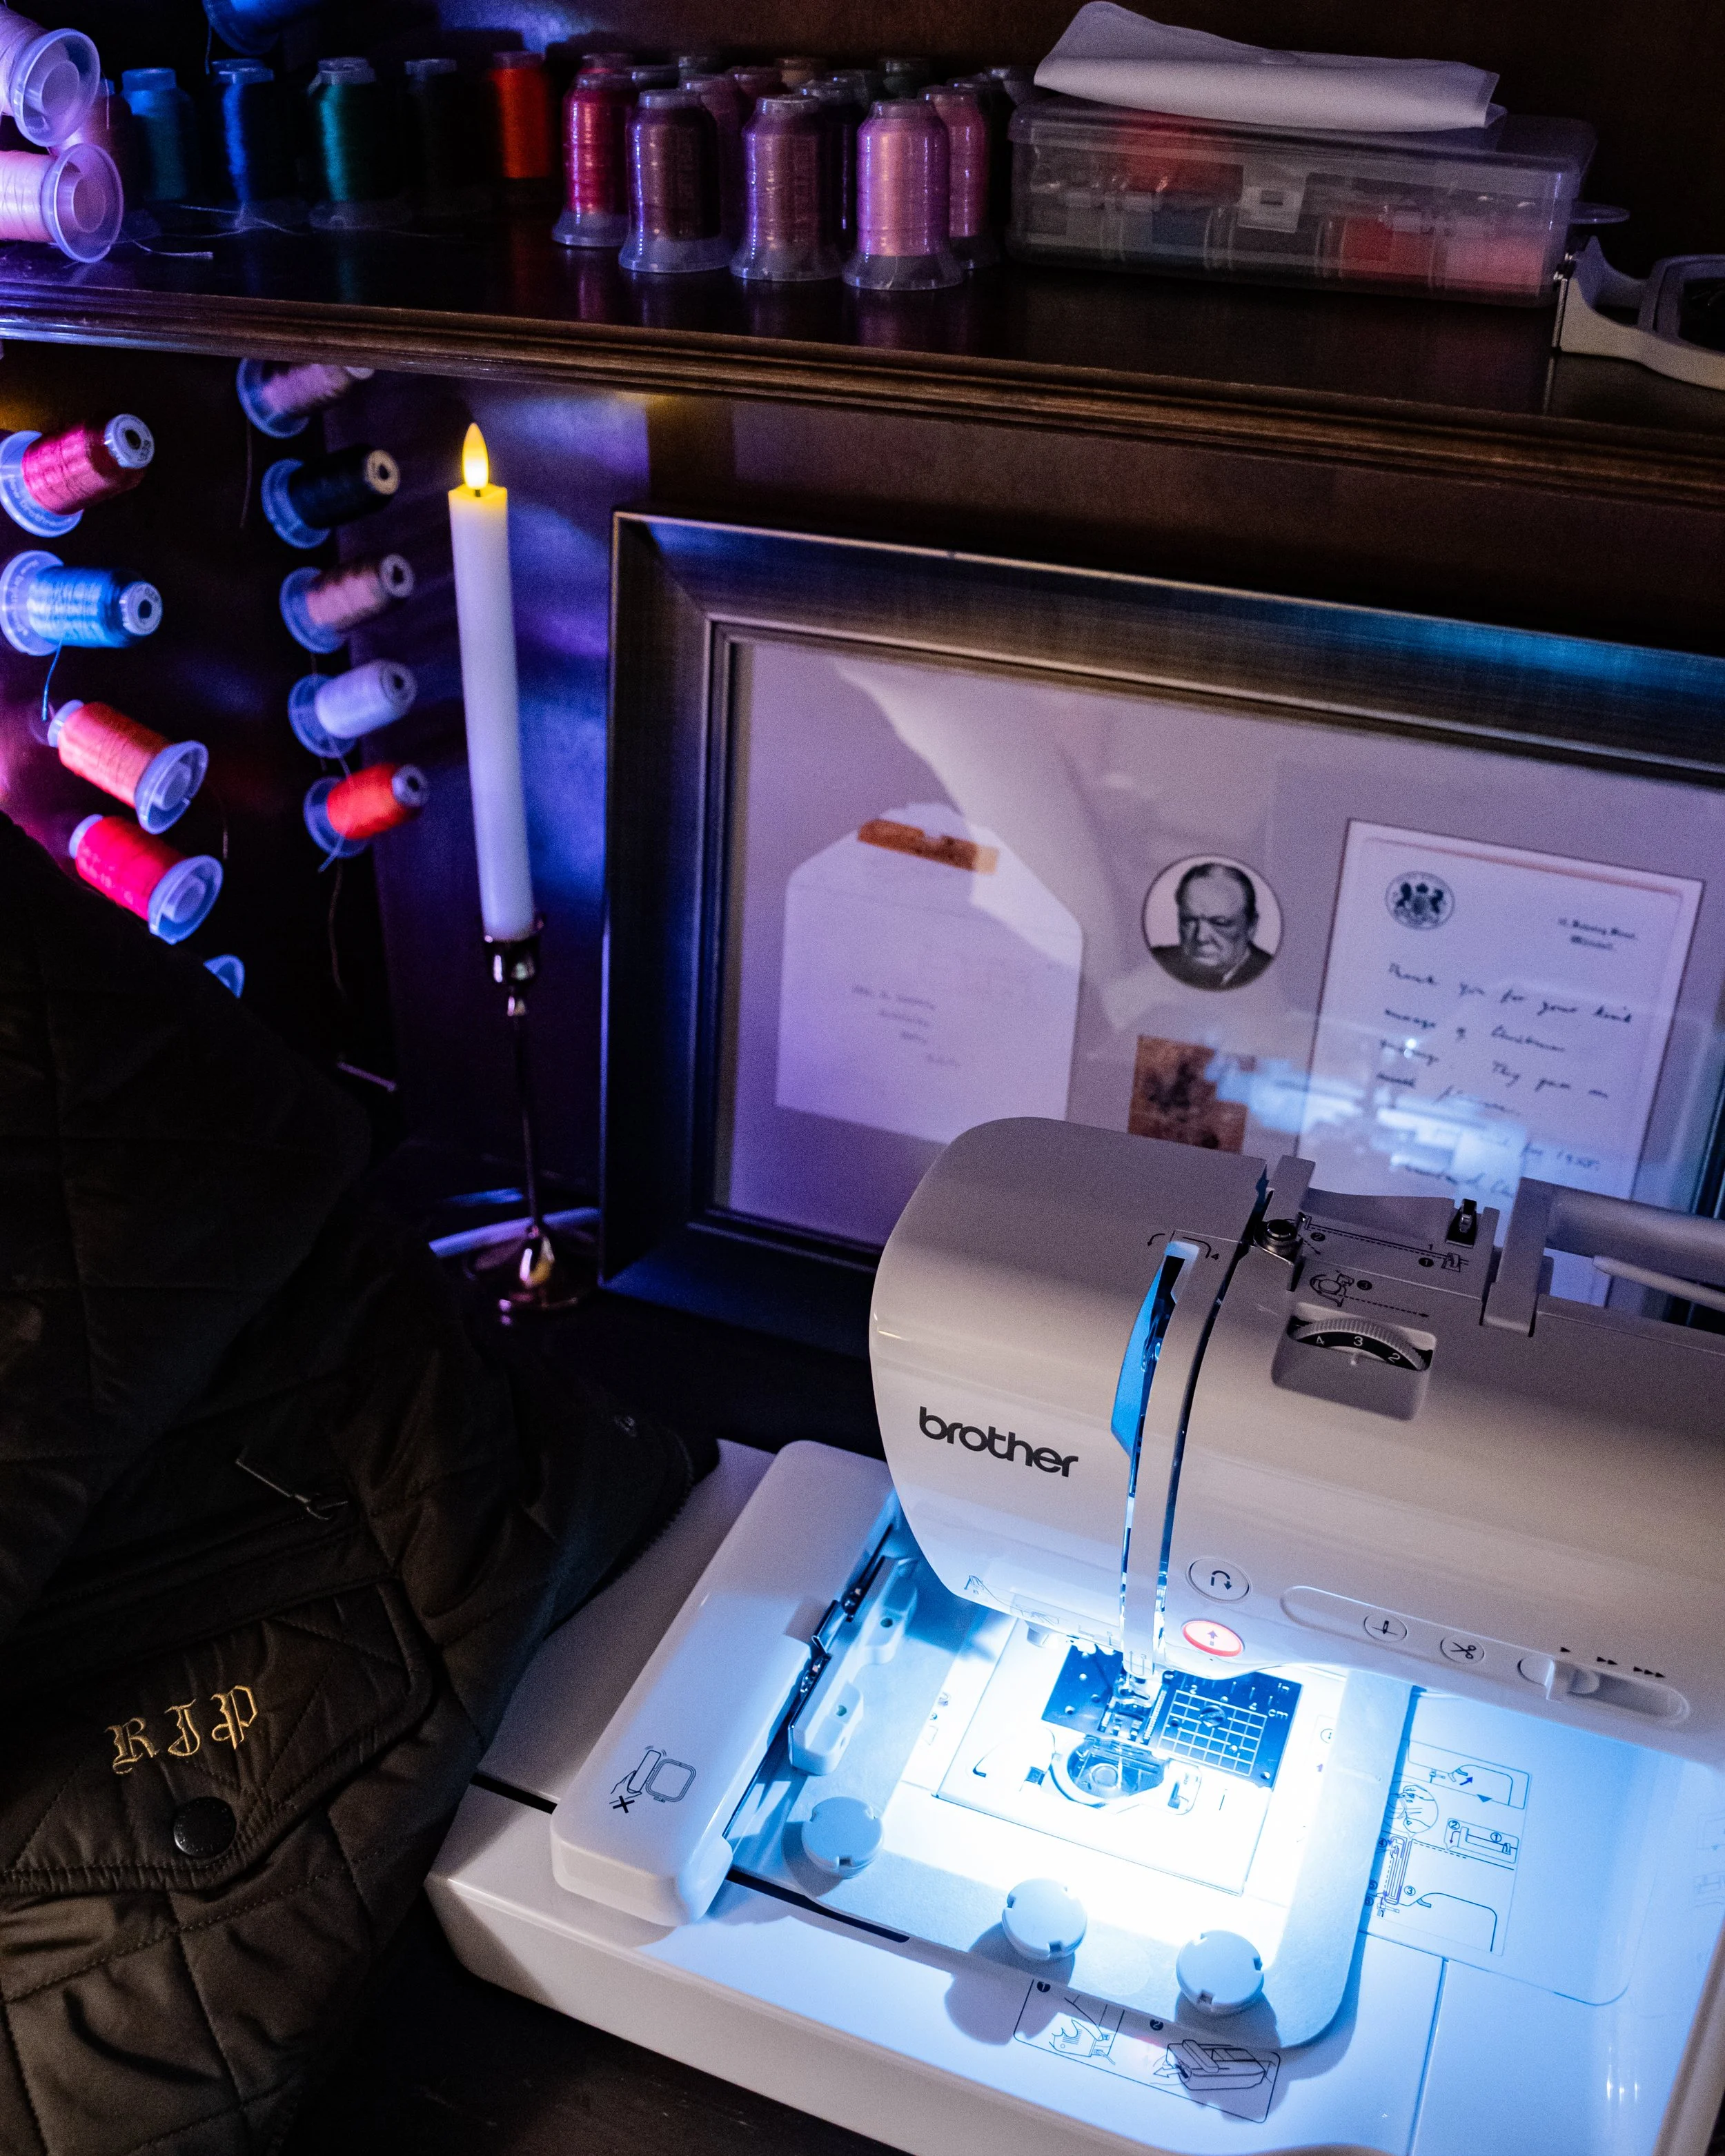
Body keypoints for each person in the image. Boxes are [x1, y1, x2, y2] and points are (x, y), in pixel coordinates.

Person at [1150, 861, 1274, 990]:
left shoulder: (1274, 973)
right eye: (1189, 920)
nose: (1201, 937)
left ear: (1251, 926)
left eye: (1219, 923)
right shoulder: (1156, 962)